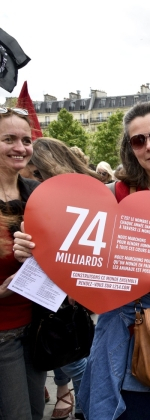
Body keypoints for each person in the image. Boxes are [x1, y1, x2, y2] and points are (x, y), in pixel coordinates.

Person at [14, 101, 150, 420]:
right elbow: (70, 245)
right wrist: (33, 248)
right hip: (124, 325)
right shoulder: (114, 195)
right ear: (130, 149)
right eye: (138, 140)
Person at [28, 137, 104, 420]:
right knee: (66, 348)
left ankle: (90, 408)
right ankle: (77, 402)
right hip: (48, 288)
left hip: (58, 287)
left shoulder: (63, 195)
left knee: (73, 356)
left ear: (40, 168)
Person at [0, 106, 46, 420]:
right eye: (9, 139)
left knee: (35, 409)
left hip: (36, 328)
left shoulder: (38, 194)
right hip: (2, 333)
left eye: (26, 140)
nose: (20, 148)